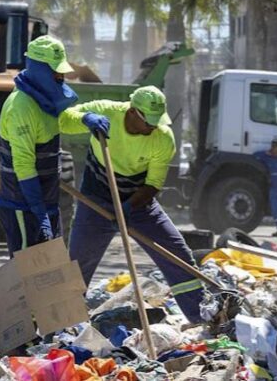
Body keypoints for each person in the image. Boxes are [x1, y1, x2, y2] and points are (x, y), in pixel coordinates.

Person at [59, 86, 205, 322]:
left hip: (138, 203)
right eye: (149, 122)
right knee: (77, 265)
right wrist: (85, 119)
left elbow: (153, 184)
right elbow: (63, 120)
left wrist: (127, 208)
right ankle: (64, 324)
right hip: (96, 200)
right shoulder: (106, 112)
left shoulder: (163, 138)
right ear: (133, 112)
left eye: (157, 121)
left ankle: (201, 317)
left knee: (177, 254)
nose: (153, 127)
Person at [0, 35, 78, 256]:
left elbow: (65, 119)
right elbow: (23, 164)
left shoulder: (46, 101)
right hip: (22, 205)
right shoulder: (21, 107)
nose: (61, 77)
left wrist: (87, 119)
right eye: (56, 71)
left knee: (51, 267)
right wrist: (39, 214)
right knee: (27, 269)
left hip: (46, 202)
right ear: (40, 69)